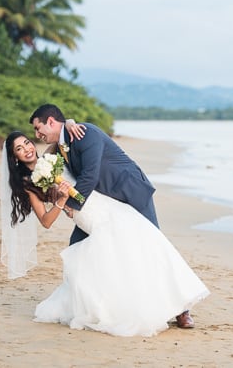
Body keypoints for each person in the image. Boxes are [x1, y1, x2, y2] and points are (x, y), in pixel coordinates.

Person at [1, 130, 209, 337]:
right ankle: (133, 306)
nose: (27, 149)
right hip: (86, 216)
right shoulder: (28, 183)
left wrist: (72, 123)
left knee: (147, 241)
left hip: (106, 203)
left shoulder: (51, 154)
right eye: (19, 149)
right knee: (117, 255)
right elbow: (46, 221)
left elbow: (65, 135)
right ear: (14, 157)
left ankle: (180, 306)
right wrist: (62, 202)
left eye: (27, 143)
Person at [29, 104, 195, 329]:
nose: (37, 135)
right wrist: (68, 121)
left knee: (153, 246)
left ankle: (181, 310)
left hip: (130, 192)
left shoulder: (86, 134)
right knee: (77, 246)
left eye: (39, 129)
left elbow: (89, 176)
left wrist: (70, 206)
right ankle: (88, 305)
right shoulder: (60, 144)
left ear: (50, 121)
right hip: (103, 204)